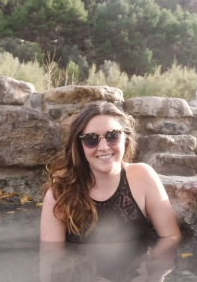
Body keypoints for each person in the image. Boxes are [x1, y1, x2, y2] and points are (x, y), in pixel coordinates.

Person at [40, 101, 182, 243]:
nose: (103, 147)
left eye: (112, 136)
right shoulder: (59, 193)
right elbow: (52, 256)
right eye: (91, 139)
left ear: (125, 138)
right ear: (79, 146)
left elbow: (171, 237)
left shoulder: (143, 176)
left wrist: (152, 263)